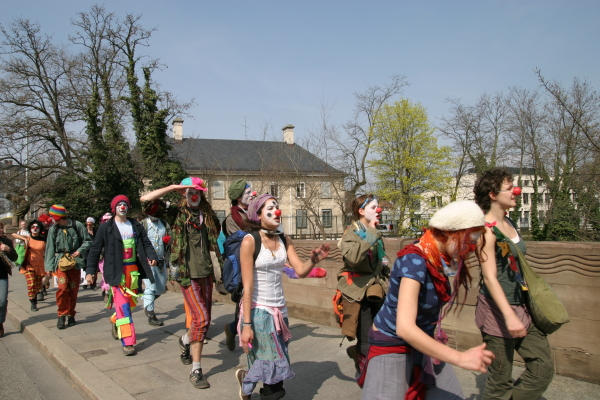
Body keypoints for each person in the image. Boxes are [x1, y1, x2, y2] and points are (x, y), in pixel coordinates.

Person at [360, 200, 494, 400]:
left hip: (423, 341)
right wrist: (460, 358)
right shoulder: (414, 260)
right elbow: (404, 328)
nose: (471, 248)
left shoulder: (440, 257)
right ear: (446, 233)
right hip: (393, 344)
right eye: (468, 240)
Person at [236, 194, 330, 400]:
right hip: (259, 311)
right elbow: (248, 286)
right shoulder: (249, 241)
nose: (276, 211)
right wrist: (247, 325)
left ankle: (248, 379)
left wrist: (313, 260)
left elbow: (300, 271)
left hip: (280, 312)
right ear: (257, 215)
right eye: (270, 209)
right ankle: (264, 389)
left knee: (274, 367)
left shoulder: (284, 239)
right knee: (274, 376)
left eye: (277, 207)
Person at [473, 168, 553, 400]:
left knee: (543, 368)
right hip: (497, 312)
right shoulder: (486, 230)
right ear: (492, 194)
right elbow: (489, 277)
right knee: (499, 384)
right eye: (510, 189)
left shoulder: (509, 221)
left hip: (522, 306)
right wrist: (508, 315)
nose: (516, 192)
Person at [140, 177, 222, 389]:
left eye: (197, 192)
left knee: (201, 321)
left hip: (206, 273)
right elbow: (145, 201)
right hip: (186, 274)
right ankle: (196, 370)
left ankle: (185, 341)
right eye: (189, 193)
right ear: (183, 195)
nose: (194, 196)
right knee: (201, 320)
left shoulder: (208, 215)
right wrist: (172, 188)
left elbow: (217, 237)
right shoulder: (175, 212)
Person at [86, 195, 158, 356]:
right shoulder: (106, 228)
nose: (123, 206)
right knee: (124, 309)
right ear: (114, 208)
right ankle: (128, 342)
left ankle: (115, 319)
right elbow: (95, 250)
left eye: (125, 204)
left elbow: (146, 243)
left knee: (131, 304)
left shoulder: (135, 225)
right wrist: (91, 271)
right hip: (115, 272)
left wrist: (152, 256)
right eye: (119, 204)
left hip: (132, 272)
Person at [336, 194, 390, 373]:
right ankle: (367, 374)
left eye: (377, 207)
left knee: (383, 335)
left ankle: (362, 356)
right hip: (357, 291)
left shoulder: (375, 231)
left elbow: (379, 259)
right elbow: (353, 258)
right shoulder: (350, 233)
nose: (378, 211)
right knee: (366, 338)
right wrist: (372, 234)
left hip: (376, 288)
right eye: (373, 208)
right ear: (361, 211)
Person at [44, 205, 92, 329]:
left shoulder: (77, 225)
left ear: (58, 217)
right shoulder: (53, 230)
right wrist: (48, 268)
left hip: (74, 262)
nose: (52, 219)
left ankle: (71, 314)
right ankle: (61, 314)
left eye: (53, 217)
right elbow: (49, 249)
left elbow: (87, 240)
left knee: (73, 289)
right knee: (62, 288)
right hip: (60, 262)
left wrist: (80, 250)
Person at [222, 179, 256, 351]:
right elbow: (242, 241)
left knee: (250, 304)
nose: (251, 195)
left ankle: (234, 328)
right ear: (238, 197)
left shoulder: (252, 212)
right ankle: (243, 336)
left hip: (256, 263)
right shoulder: (232, 219)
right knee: (245, 302)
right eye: (247, 193)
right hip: (243, 266)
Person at [140, 207, 172, 326]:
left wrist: (168, 240)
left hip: (160, 260)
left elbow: (172, 237)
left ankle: (148, 304)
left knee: (160, 288)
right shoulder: (143, 224)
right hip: (147, 261)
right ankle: (151, 314)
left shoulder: (164, 224)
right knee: (150, 288)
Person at [13, 220, 47, 311]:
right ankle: (33, 303)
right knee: (31, 283)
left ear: (40, 229)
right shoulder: (28, 238)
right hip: (29, 265)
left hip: (40, 266)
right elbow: (13, 234)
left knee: (38, 285)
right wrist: (24, 239)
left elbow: (47, 253)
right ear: (30, 229)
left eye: (37, 227)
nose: (35, 229)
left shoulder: (43, 240)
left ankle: (35, 297)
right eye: (33, 227)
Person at [0, 222, 18, 337]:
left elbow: (15, 257)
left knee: (2, 301)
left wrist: (8, 249)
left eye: (1, 227)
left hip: (2, 275)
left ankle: (0, 322)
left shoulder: (6, 242)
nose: (0, 230)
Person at [82, 217, 97, 290]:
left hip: (93, 251)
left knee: (93, 268)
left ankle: (92, 283)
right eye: (88, 223)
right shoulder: (84, 232)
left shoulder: (96, 232)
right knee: (85, 267)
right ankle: (85, 282)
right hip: (86, 251)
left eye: (91, 223)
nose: (89, 224)